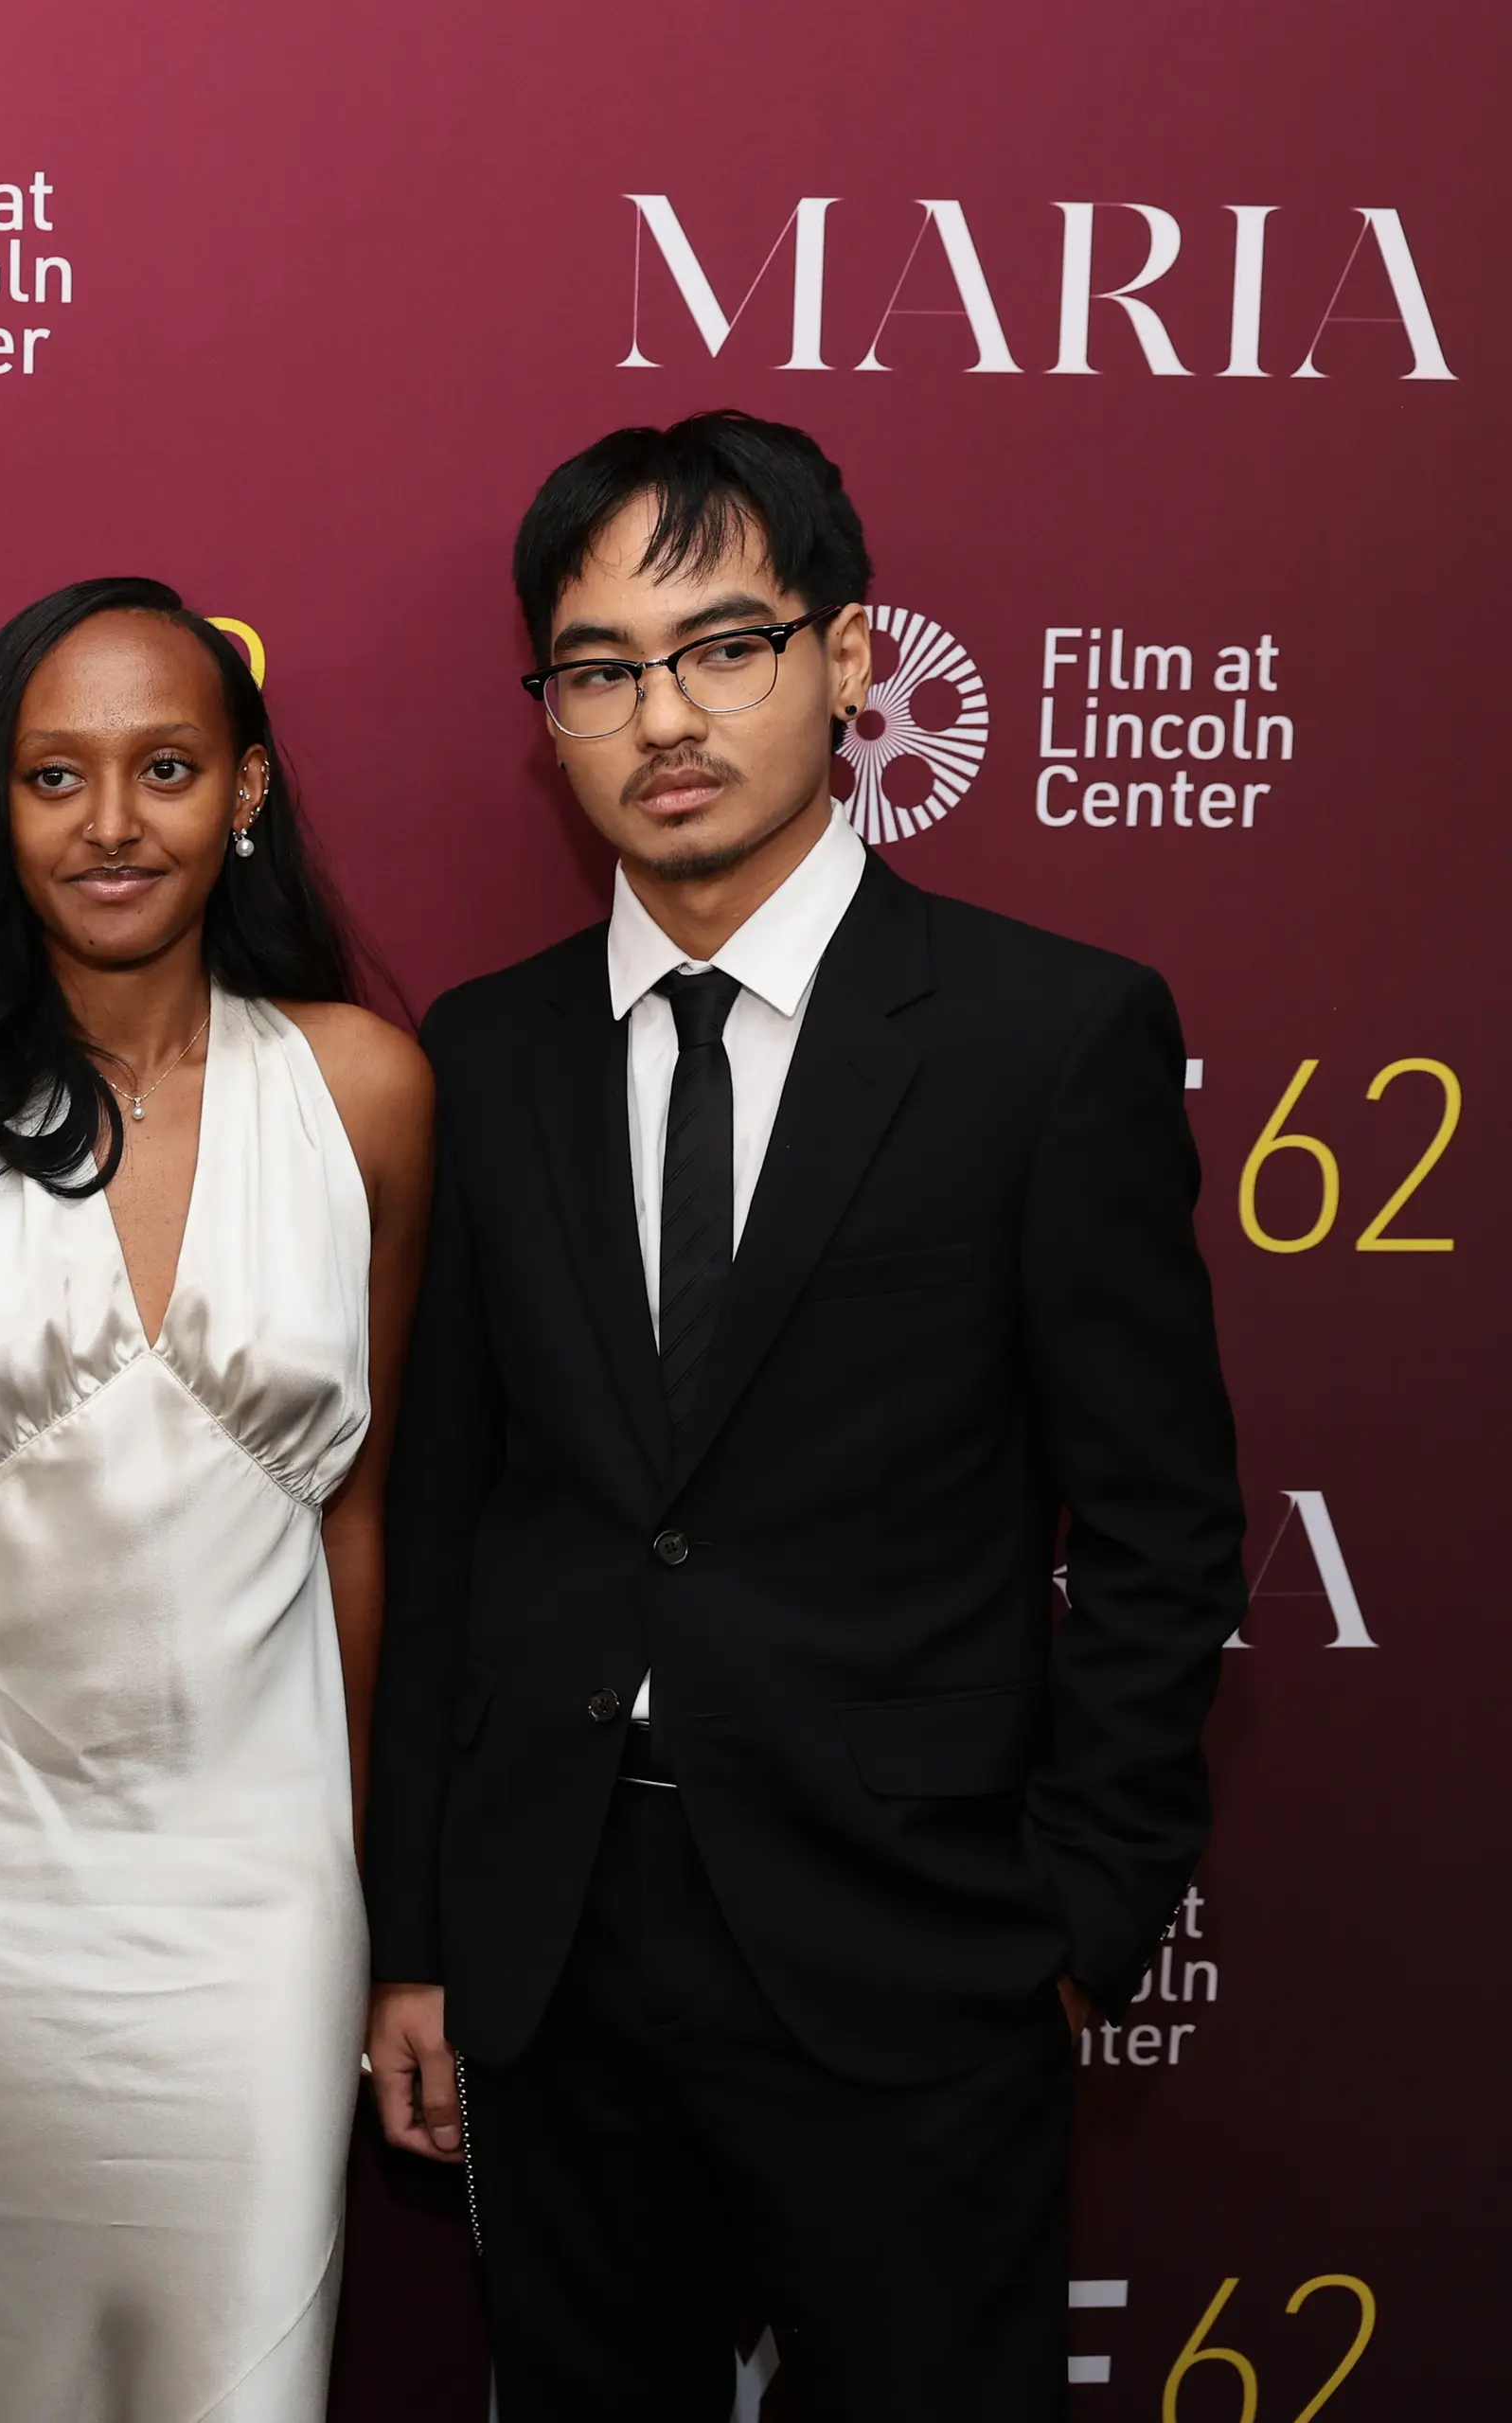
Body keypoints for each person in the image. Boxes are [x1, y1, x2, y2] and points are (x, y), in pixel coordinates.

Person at [363, 410, 1245, 2417]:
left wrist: (1077, 1917)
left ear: (848, 660)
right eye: (600, 670)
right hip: (554, 1948)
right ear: (550, 713)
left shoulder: (1046, 1036)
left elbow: (1167, 1527)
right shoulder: (487, 1057)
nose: (663, 716)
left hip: (910, 1947)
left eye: (725, 647)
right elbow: (451, 1517)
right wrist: (422, 1935)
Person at [0, 579, 431, 2420]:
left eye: (164, 767)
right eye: (55, 776)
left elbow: (361, 1518)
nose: (113, 821)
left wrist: (370, 1878)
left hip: (252, 1901)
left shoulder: (367, 1090)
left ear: (247, 789)